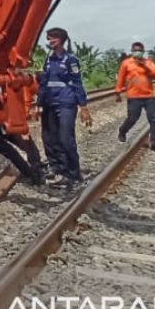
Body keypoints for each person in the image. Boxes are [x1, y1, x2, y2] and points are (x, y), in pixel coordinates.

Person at [38, 27, 91, 189]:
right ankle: (57, 168)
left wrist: (83, 107)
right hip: (49, 104)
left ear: (60, 40)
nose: (49, 42)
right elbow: (44, 84)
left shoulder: (70, 60)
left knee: (65, 139)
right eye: (48, 39)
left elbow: (77, 83)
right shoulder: (49, 59)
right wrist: (39, 104)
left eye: (51, 39)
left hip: (66, 103)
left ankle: (73, 174)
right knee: (49, 138)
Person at [0, 75, 43, 186]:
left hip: (9, 123)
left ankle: (36, 173)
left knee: (28, 146)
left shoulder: (14, 84)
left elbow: (32, 91)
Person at [115, 41, 155, 151]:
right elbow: (121, 78)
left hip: (149, 96)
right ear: (132, 51)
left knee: (154, 119)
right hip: (134, 96)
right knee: (132, 118)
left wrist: (145, 66)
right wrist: (118, 92)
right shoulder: (126, 63)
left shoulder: (148, 62)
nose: (138, 52)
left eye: (140, 51)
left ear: (143, 52)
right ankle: (122, 131)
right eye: (135, 50)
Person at [1, 67, 44, 179]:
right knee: (30, 148)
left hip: (2, 120)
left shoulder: (14, 80)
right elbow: (22, 107)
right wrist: (23, 128)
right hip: (11, 121)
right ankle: (35, 173)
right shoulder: (23, 86)